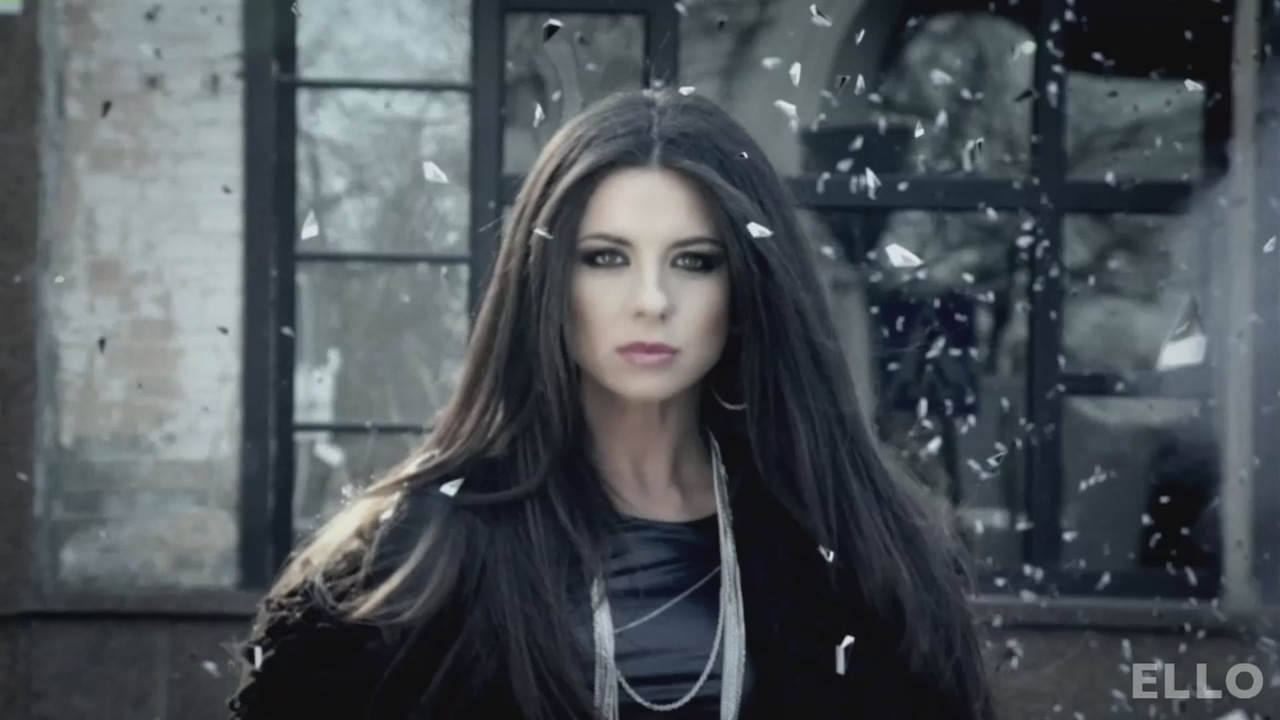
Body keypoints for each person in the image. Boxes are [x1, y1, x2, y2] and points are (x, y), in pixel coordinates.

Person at [227, 88, 998, 720]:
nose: (651, 300)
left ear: (745, 287)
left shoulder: (850, 547)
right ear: (547, 281)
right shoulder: (423, 549)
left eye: (694, 261)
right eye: (605, 258)